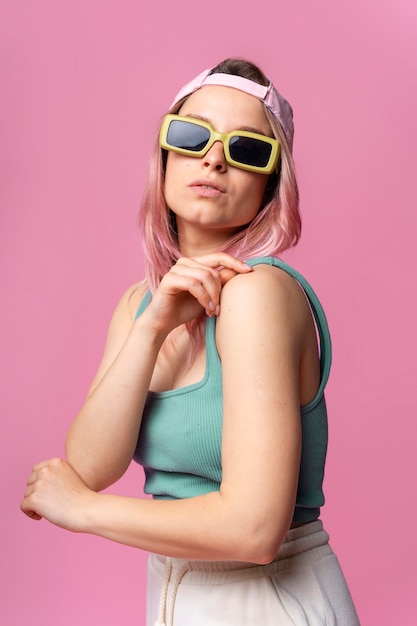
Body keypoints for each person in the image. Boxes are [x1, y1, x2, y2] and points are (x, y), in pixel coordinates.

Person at [21, 58, 360, 625]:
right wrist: (152, 327)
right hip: (176, 597)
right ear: (164, 154)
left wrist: (84, 511)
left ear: (271, 186)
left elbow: (253, 530)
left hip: (269, 600)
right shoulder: (139, 305)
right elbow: (87, 465)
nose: (214, 158)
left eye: (249, 149)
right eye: (191, 135)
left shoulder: (258, 295)